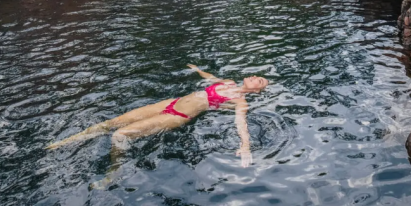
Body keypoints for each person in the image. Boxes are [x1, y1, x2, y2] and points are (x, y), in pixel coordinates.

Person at [46, 65, 269, 170]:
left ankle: (114, 172)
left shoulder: (240, 102)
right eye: (257, 76)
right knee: (110, 123)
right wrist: (198, 70)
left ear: (256, 91)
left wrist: (245, 146)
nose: (255, 77)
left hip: (179, 115)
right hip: (170, 103)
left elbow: (241, 123)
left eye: (259, 81)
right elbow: (211, 78)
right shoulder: (229, 82)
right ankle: (66, 142)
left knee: (120, 134)